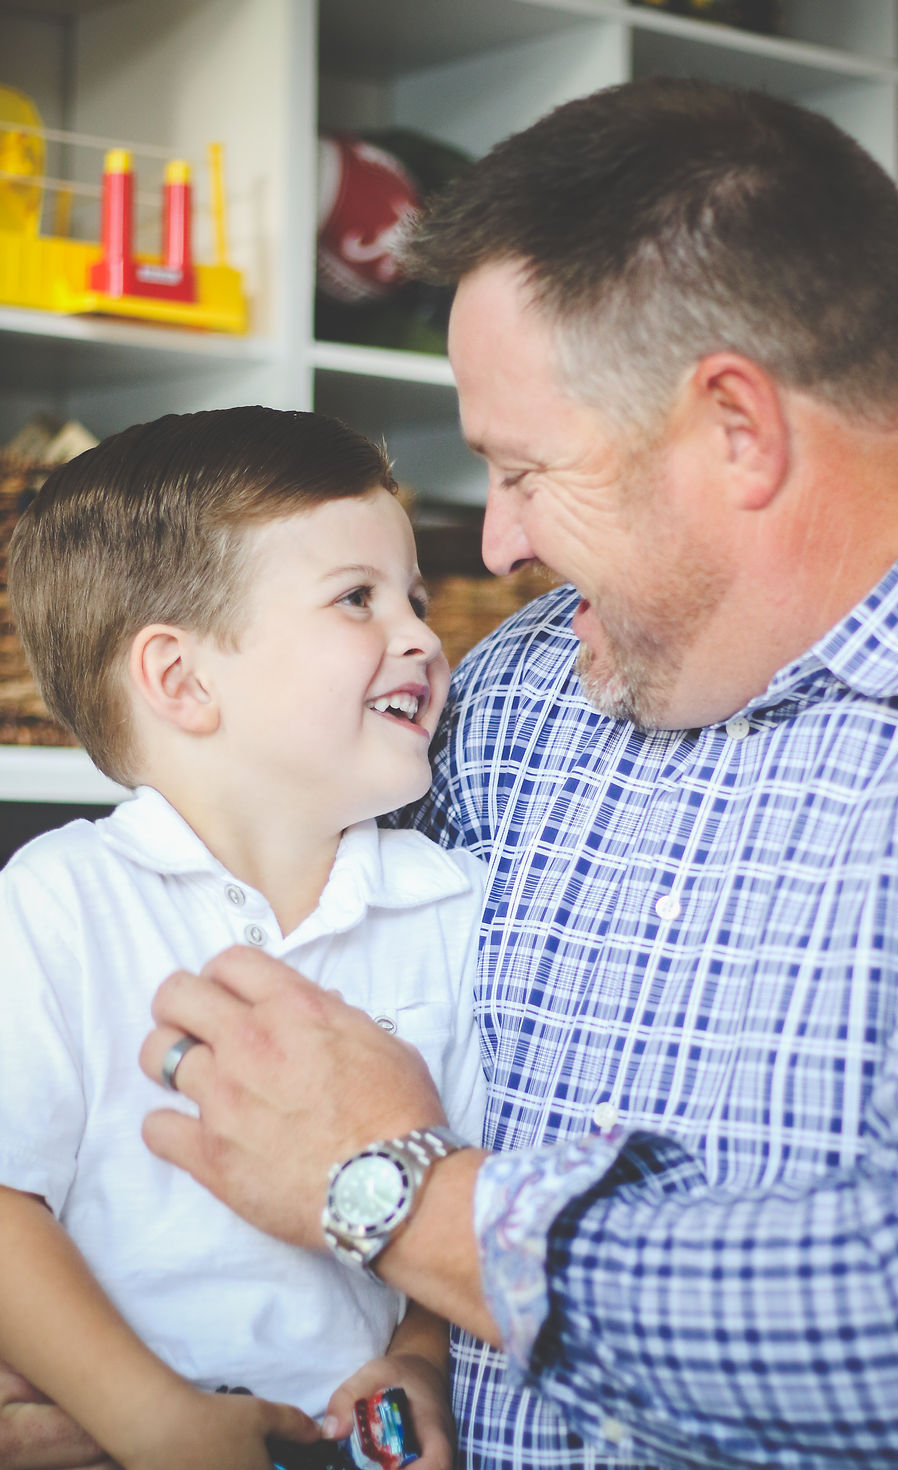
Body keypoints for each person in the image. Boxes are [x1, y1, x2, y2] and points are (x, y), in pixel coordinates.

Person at [9, 73, 898, 1469]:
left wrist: (399, 1199)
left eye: (521, 469)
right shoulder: (517, 695)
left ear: (737, 430)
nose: (497, 548)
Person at [0, 406, 487, 1470]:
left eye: (411, 598)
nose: (421, 635)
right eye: (356, 599)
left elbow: (465, 1193)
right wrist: (153, 1422)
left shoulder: (451, 905)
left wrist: (417, 1364)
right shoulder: (60, 901)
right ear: (182, 682)